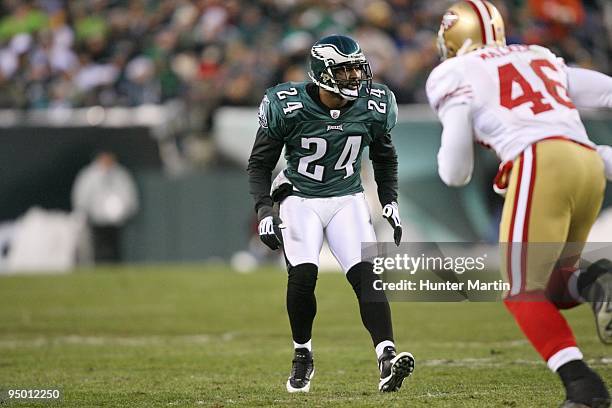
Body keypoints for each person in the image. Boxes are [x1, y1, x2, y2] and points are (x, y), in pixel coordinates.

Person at [426, 1, 612, 407]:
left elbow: (455, 171)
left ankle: (583, 388)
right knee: (555, 286)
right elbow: (607, 91)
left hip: (539, 162)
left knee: (521, 293)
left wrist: (456, 164)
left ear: (456, 37)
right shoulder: (537, 55)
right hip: (590, 162)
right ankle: (598, 280)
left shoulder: (453, 71)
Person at [247, 34, 414, 393]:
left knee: (366, 275)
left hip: (347, 198)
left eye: (357, 68)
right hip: (300, 198)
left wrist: (390, 200)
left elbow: (385, 157)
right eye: (346, 70)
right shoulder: (287, 104)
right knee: (304, 276)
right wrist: (263, 208)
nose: (356, 77)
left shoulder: (374, 104)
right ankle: (302, 355)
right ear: (323, 72)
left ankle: (387, 356)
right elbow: (259, 163)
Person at [72, 151, 139, 263]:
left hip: (116, 221)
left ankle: (115, 267)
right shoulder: (89, 175)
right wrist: (83, 212)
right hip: (96, 219)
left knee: (115, 246)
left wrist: (127, 211)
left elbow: (129, 195)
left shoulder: (121, 174)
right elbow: (82, 195)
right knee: (99, 246)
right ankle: (100, 266)